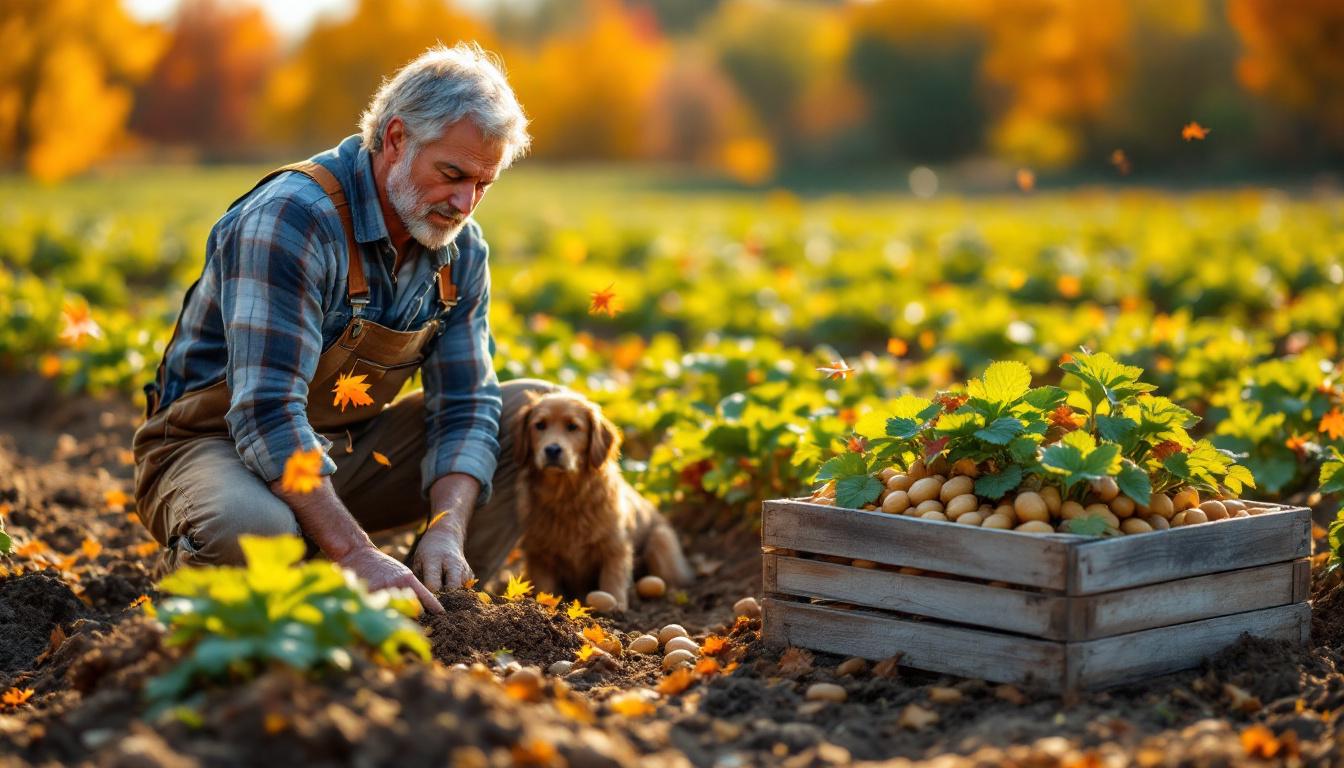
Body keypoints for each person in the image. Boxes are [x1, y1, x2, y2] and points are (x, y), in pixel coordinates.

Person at [131, 42, 551, 615]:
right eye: (452, 174)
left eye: (484, 184)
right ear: (397, 139)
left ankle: (450, 605)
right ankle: (238, 581)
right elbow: (266, 413)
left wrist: (447, 528)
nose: (464, 203)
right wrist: (355, 550)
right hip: (218, 446)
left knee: (528, 417)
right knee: (253, 533)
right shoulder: (294, 219)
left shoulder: (460, 252)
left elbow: (465, 402)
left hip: (338, 453)